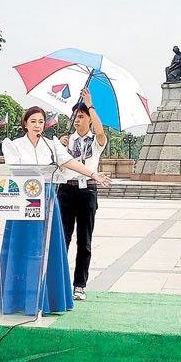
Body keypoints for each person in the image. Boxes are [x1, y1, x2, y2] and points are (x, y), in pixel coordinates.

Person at [0, 106, 112, 315]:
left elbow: (69, 162)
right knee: (21, 248)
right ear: (25, 124)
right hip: (24, 200)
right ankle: (16, 298)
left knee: (48, 248)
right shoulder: (13, 145)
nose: (37, 125)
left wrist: (93, 175)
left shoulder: (51, 145)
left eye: (41, 122)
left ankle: (48, 298)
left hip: (47, 199)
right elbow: (14, 169)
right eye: (33, 121)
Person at [58, 88, 108, 301]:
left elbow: (100, 130)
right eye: (75, 117)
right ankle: (58, 281)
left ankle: (80, 285)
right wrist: (60, 145)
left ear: (88, 118)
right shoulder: (65, 141)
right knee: (63, 238)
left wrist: (90, 104)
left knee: (84, 240)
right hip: (66, 190)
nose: (77, 121)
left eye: (81, 117)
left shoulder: (96, 142)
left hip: (87, 190)